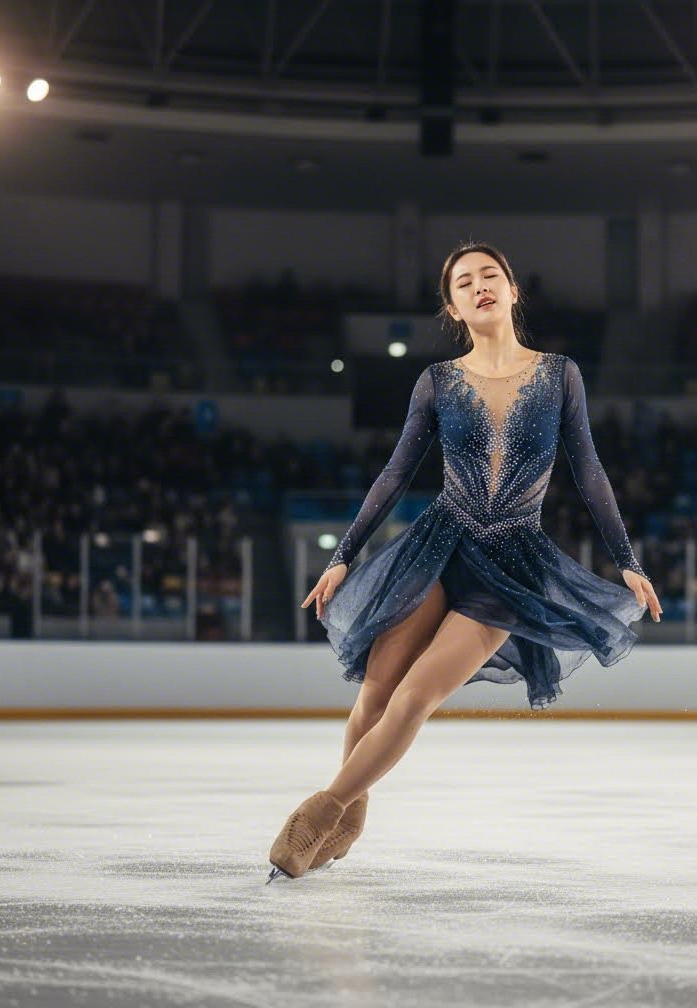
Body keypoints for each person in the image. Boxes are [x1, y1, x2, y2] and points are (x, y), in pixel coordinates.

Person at [267, 241, 663, 882]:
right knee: (374, 693)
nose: (479, 286)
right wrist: (343, 555)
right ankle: (354, 814)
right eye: (463, 283)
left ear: (512, 290)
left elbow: (589, 470)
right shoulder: (438, 382)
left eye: (490, 276)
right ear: (452, 306)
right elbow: (396, 471)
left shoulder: (560, 374)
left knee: (416, 698)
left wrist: (627, 560)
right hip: (436, 547)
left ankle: (325, 810)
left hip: (511, 569)